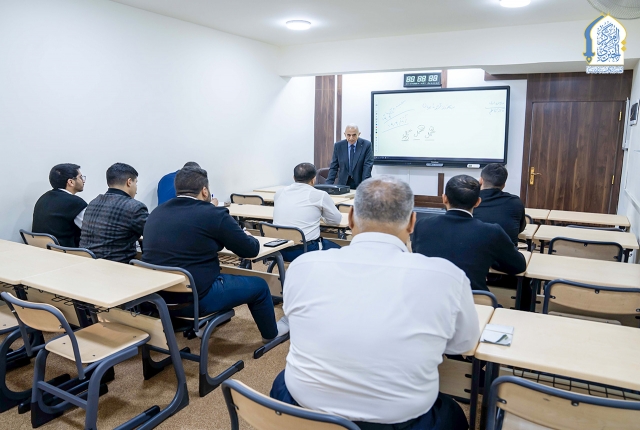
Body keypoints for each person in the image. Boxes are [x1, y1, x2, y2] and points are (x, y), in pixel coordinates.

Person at [271, 176, 478, 430]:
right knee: (453, 413)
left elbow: (298, 323)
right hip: (399, 420)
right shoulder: (447, 277)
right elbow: (463, 344)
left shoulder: (303, 266)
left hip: (300, 411)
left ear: (350, 218)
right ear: (412, 222)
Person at [142, 166, 288, 342]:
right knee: (260, 286)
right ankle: (271, 335)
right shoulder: (212, 214)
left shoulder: (156, 213)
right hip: (197, 300)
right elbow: (251, 250)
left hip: (159, 298)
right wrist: (248, 236)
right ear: (205, 191)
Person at [412, 175, 526, 292]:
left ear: (444, 198)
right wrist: (491, 259)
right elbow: (519, 266)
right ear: (477, 202)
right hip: (471, 300)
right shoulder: (491, 232)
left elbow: (417, 256)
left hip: (427, 295)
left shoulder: (422, 225)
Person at [273, 163, 343, 261]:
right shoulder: (320, 195)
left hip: (278, 249)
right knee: (341, 251)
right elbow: (336, 220)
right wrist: (322, 217)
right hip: (306, 250)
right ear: (314, 179)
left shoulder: (279, 193)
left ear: (293, 178)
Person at [80, 163, 148, 263]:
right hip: (116, 266)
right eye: (136, 183)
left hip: (87, 263)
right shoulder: (134, 207)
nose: (136, 188)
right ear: (129, 182)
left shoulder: (93, 202)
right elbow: (153, 233)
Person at [32, 164, 87, 247]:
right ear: (71, 182)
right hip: (63, 251)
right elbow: (91, 230)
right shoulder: (76, 203)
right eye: (80, 177)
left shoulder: (43, 197)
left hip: (41, 249)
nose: (83, 181)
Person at [473, 163, 526, 246]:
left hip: (475, 251)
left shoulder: (471, 200)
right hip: (508, 253)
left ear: (480, 180)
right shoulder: (515, 201)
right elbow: (520, 228)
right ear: (504, 185)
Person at [326, 124, 374, 189]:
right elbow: (333, 167)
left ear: (359, 134)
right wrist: (327, 186)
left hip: (360, 183)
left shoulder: (366, 145)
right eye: (348, 135)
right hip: (343, 184)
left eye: (354, 135)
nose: (351, 138)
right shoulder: (338, 146)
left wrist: (364, 187)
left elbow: (367, 167)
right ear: (345, 134)